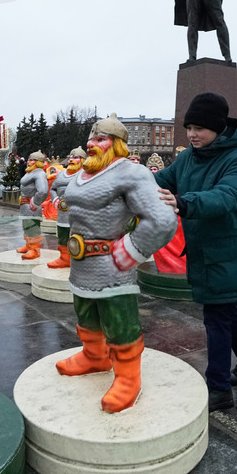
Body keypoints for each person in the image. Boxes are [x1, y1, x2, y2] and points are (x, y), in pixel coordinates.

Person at [57, 114, 177, 413]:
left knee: (119, 319)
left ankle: (127, 377)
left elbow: (162, 219)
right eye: (91, 139)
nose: (91, 144)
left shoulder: (131, 173)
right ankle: (94, 356)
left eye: (100, 139)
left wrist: (133, 250)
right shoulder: (85, 172)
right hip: (81, 261)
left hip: (112, 263)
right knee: (85, 311)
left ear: (117, 144)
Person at [153, 93, 237, 411]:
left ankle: (219, 388)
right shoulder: (189, 156)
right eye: (189, 127)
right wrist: (129, 182)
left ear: (217, 128)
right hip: (205, 245)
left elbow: (226, 196)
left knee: (215, 315)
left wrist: (185, 202)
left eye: (199, 128)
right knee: (225, 309)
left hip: (230, 247)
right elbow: (161, 179)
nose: (192, 134)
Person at [47, 146, 86, 269]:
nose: (71, 160)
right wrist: (55, 200)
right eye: (70, 157)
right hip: (62, 214)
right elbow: (53, 188)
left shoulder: (86, 174)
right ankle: (64, 259)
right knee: (63, 237)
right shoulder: (61, 174)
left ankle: (80, 261)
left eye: (76, 157)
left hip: (78, 214)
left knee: (79, 238)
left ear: (83, 160)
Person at [16, 151, 50, 260]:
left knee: (33, 227)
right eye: (29, 159)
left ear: (38, 162)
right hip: (25, 206)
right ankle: (28, 245)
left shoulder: (39, 173)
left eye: (32, 160)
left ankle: (35, 249)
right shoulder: (30, 172)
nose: (29, 162)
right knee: (26, 226)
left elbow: (43, 191)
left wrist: (35, 202)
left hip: (32, 206)